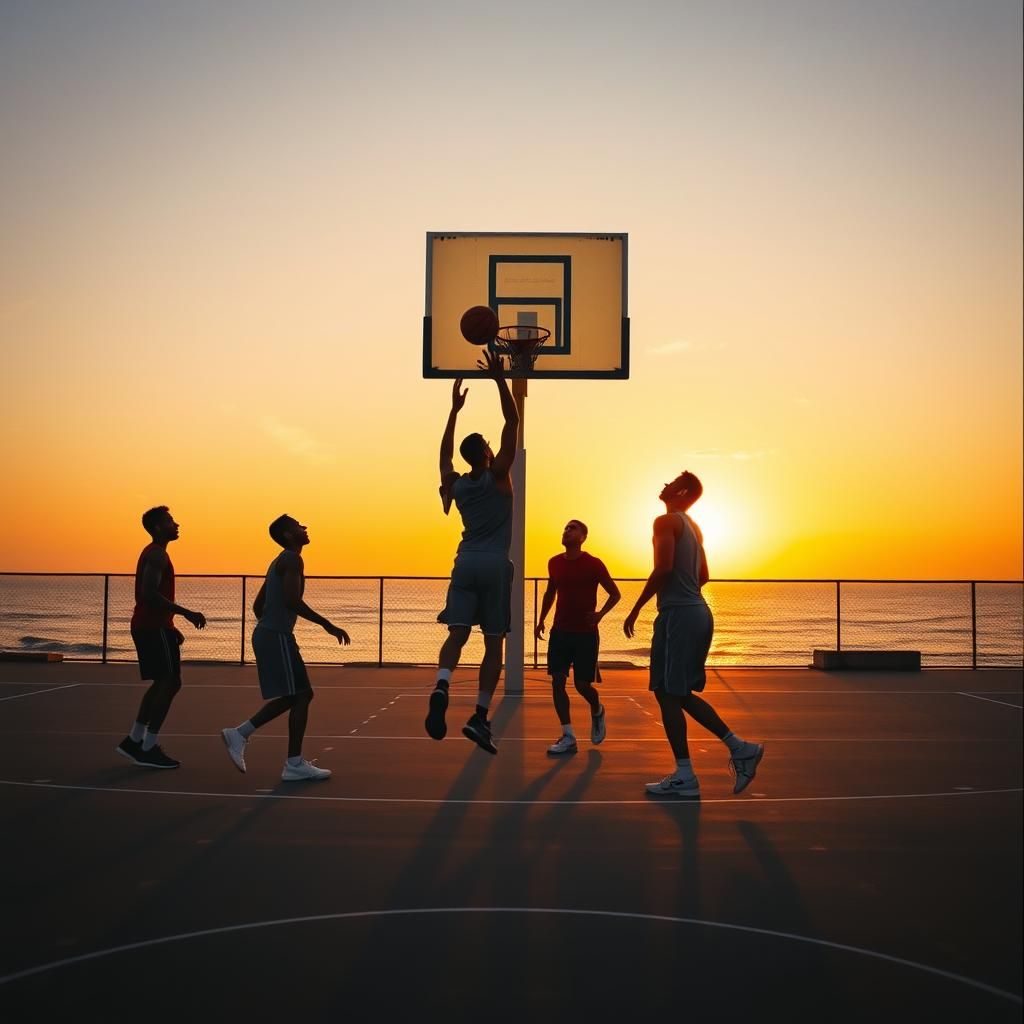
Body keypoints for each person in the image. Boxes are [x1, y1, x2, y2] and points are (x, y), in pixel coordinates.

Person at [623, 471, 763, 798]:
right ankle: (738, 749)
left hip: (680, 616)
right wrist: (686, 600)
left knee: (667, 692)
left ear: (682, 491)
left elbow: (664, 567)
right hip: (695, 611)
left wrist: (637, 607)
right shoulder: (694, 527)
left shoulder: (665, 521)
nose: (663, 484)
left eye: (671, 482)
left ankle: (688, 774)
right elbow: (704, 575)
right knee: (674, 692)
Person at [426, 349, 518, 755]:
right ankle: (480, 717)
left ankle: (443, 682)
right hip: (496, 565)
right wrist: (500, 378)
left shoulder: (458, 486)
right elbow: (512, 421)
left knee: (457, 634)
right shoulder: (498, 477)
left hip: (464, 563)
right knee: (493, 642)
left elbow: (443, 456)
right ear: (487, 453)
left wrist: (453, 411)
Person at [221, 515, 350, 781]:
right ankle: (291, 763)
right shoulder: (292, 559)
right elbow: (292, 600)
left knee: (297, 696)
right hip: (276, 636)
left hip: (272, 635)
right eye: (298, 525)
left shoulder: (279, 561)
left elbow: (259, 605)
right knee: (302, 695)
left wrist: (271, 625)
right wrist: (327, 624)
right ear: (289, 535)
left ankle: (243, 735)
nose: (305, 527)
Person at [116, 506, 206, 769]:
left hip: (154, 625)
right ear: (157, 528)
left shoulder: (156, 553)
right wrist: (186, 613)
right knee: (170, 683)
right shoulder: (156, 554)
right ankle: (147, 747)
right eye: (170, 521)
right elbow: (149, 594)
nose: (176, 524)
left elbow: (149, 598)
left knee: (163, 683)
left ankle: (135, 741)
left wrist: (171, 625)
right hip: (152, 627)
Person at [535, 519, 621, 754]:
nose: (566, 531)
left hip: (585, 634)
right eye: (565, 528)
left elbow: (615, 594)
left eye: (572, 528)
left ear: (583, 537)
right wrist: (541, 619)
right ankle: (568, 735)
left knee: (583, 685)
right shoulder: (554, 563)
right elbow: (550, 592)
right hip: (560, 632)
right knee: (557, 681)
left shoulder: (594, 564)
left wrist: (601, 614)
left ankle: (597, 709)